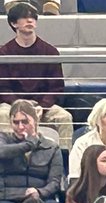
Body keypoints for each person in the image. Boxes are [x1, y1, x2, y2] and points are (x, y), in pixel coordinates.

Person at [0, 2, 73, 148]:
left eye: (33, 18)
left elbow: (56, 87)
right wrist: (18, 106)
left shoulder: (50, 51)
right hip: (13, 105)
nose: (30, 21)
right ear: (14, 23)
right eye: (25, 18)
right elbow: (3, 88)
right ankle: (8, 160)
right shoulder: (4, 53)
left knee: (65, 117)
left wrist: (42, 106)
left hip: (42, 106)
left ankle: (65, 163)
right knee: (2, 115)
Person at [0, 97, 62, 203]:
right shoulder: (4, 140)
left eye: (25, 122)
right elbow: (2, 152)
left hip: (39, 197)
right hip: (8, 197)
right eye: (15, 122)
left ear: (35, 121)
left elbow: (55, 182)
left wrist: (40, 192)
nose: (20, 127)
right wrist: (29, 144)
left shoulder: (51, 147)